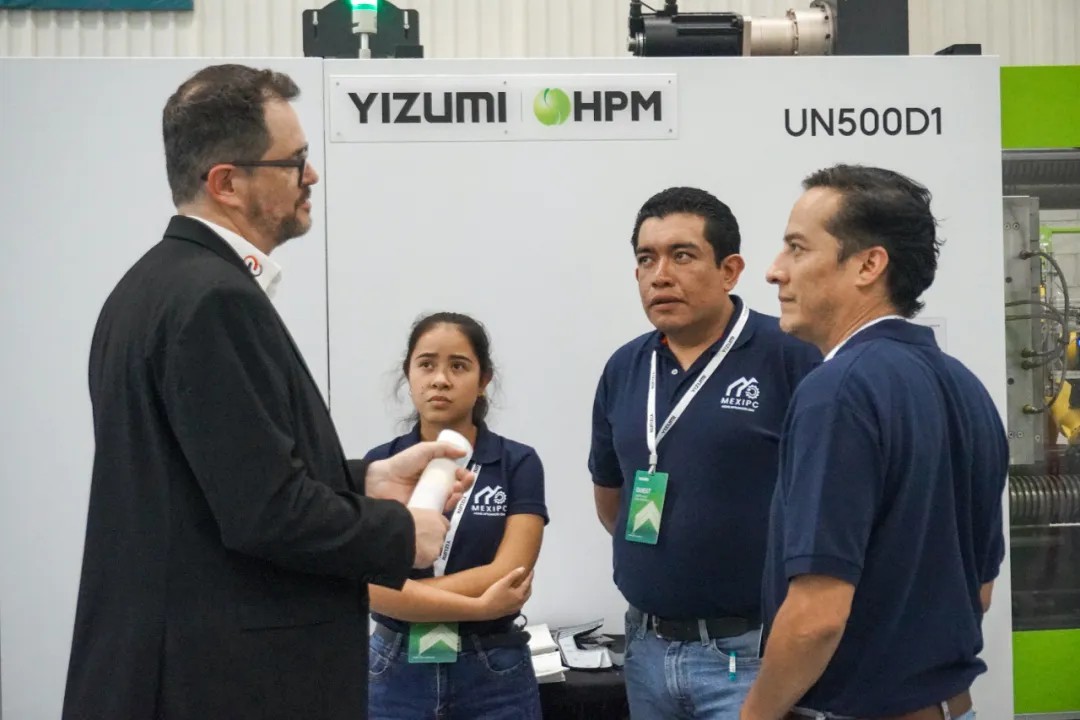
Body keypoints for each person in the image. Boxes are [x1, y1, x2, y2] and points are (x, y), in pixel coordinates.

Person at [62, 64, 467, 720]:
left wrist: (367, 480)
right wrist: (401, 532)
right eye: (294, 161)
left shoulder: (147, 289)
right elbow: (266, 512)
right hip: (225, 683)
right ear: (226, 182)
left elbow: (213, 480)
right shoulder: (213, 299)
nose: (312, 175)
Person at [740, 164, 1008, 720]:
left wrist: (755, 715)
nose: (774, 270)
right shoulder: (966, 387)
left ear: (868, 265)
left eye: (797, 248)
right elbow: (978, 591)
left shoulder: (836, 391)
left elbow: (816, 617)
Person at [589, 187, 821, 719]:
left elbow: (832, 503)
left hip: (751, 652)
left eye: (682, 255)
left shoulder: (791, 356)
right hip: (646, 648)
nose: (660, 275)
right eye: (646, 259)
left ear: (729, 270)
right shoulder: (624, 368)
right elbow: (611, 500)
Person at [357, 312, 547, 719]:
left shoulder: (517, 462)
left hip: (491, 666)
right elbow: (370, 589)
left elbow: (510, 573)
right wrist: (480, 605)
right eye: (426, 364)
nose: (440, 379)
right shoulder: (380, 466)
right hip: (395, 666)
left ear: (483, 380)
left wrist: (408, 595)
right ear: (409, 374)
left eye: (458, 366)